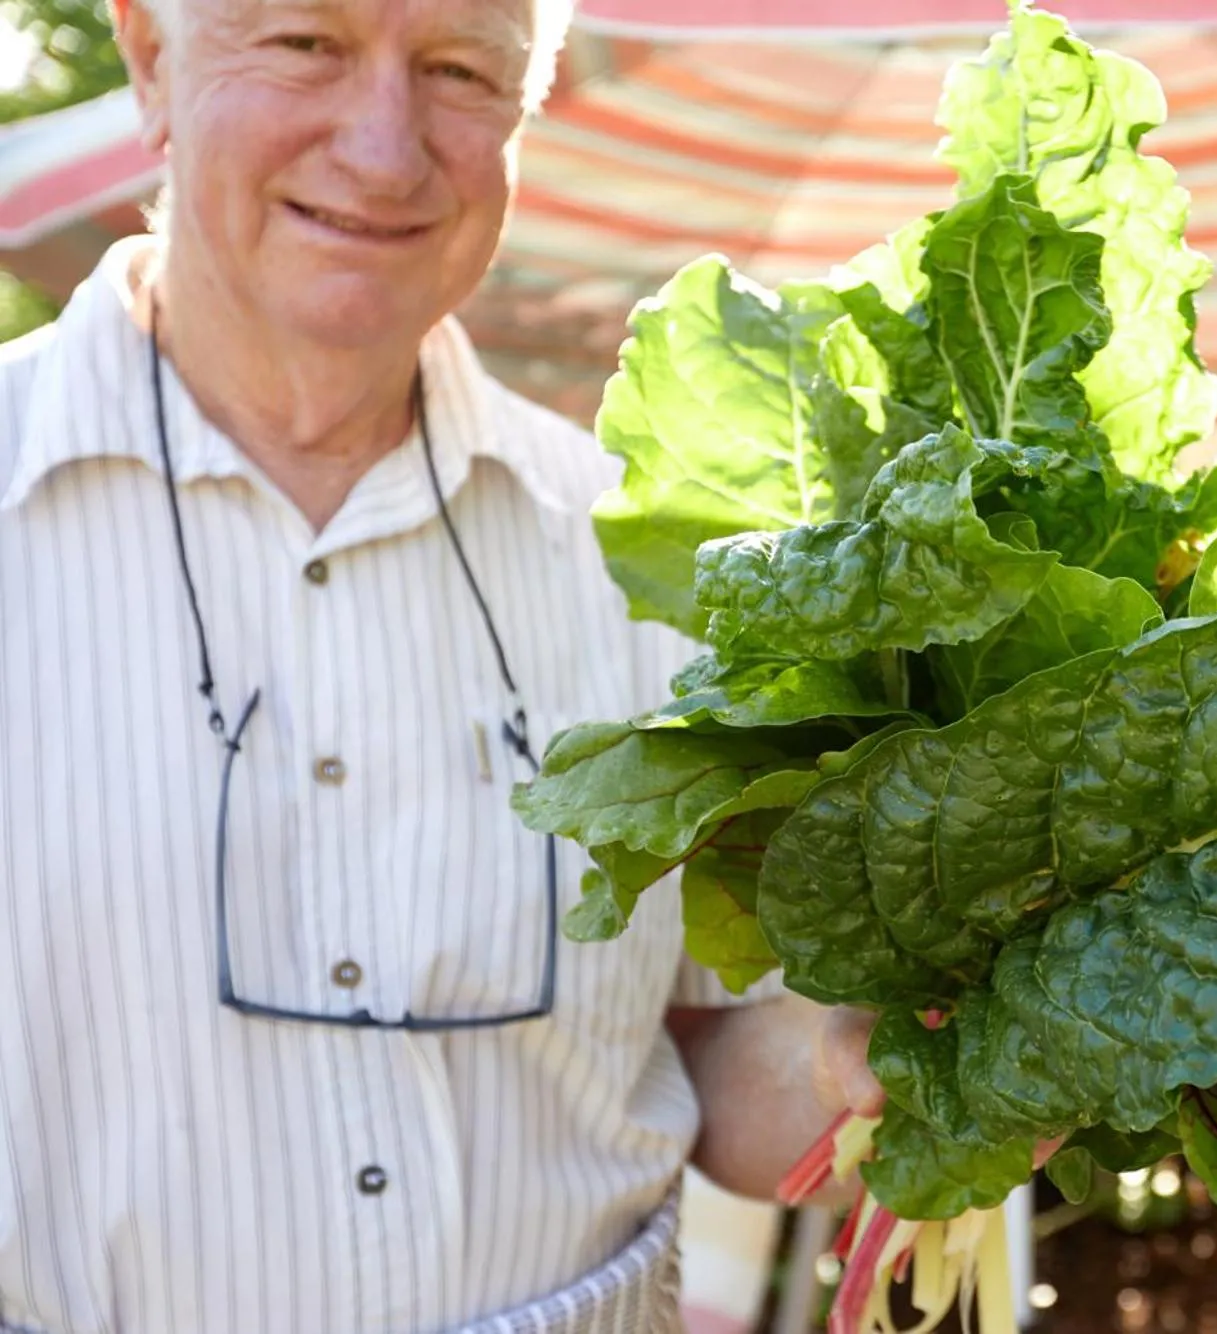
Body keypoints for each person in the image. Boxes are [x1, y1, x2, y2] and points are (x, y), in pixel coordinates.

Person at [0, 0, 883, 1329]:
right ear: (148, 53)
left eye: (460, 69)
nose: (383, 148)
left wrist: (870, 1069)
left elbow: (708, 1043)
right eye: (304, 44)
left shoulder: (648, 556)